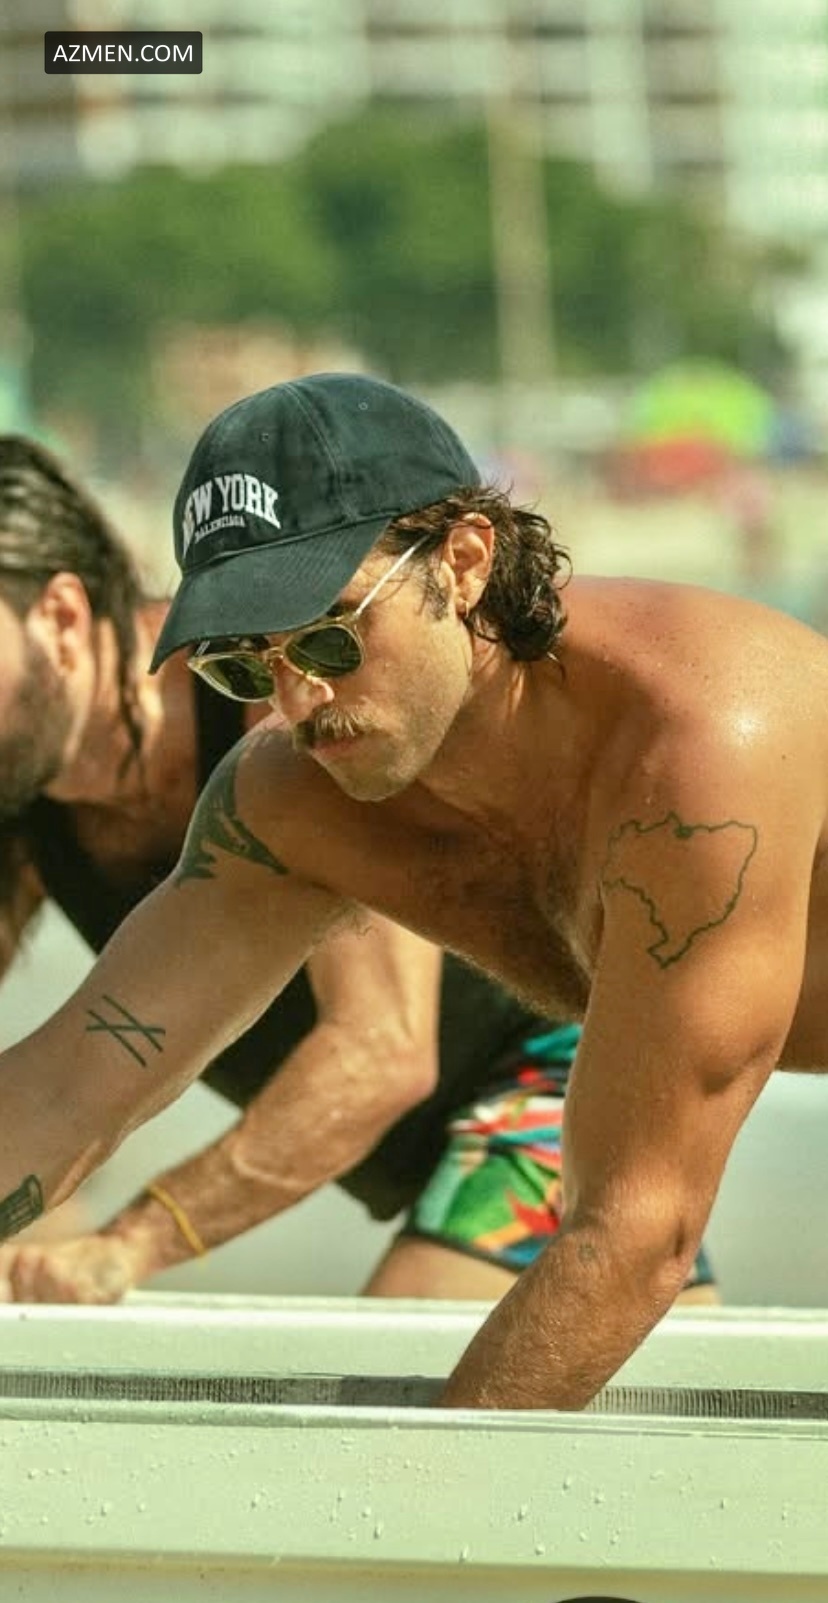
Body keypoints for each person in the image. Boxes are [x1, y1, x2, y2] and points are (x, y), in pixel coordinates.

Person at [0, 367, 815, 1411]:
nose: (299, 701)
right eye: (245, 666)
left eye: (330, 636)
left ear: (464, 562)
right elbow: (70, 1086)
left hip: (565, 1096)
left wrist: (405, 1492)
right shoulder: (292, 795)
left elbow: (636, 1233)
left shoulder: (698, 746)